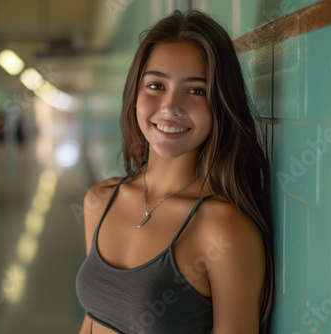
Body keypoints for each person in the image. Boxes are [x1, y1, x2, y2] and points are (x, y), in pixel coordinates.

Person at [76, 9, 274, 334]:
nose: (170, 107)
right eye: (156, 85)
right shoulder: (99, 200)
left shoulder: (223, 227)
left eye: (195, 90)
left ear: (220, 104)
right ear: (134, 95)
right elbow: (92, 320)